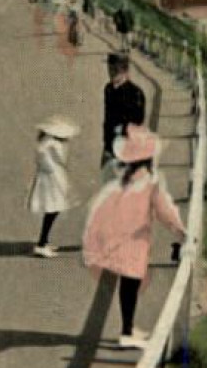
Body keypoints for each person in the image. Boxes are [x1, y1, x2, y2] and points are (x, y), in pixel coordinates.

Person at [83, 125, 187, 349]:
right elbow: (165, 210)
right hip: (135, 239)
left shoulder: (114, 171)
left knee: (125, 283)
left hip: (113, 233)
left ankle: (127, 328)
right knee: (131, 283)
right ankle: (127, 331)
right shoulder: (150, 182)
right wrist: (180, 231)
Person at [29, 116, 78, 258]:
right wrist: (53, 170)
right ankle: (41, 244)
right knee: (52, 209)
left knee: (53, 210)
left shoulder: (49, 142)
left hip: (53, 179)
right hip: (52, 181)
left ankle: (44, 241)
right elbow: (45, 159)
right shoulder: (50, 144)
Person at [101, 52, 146, 168]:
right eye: (110, 69)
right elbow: (107, 119)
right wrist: (106, 147)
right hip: (111, 147)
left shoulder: (136, 93)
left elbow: (137, 123)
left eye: (115, 70)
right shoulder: (108, 89)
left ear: (124, 71)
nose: (111, 73)